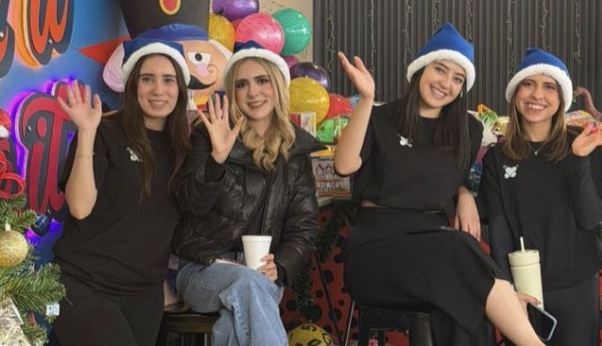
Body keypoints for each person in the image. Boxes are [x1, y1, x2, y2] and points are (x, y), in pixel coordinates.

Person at [334, 23, 544, 346]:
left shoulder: (468, 131)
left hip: (435, 250)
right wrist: (366, 99)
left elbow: (446, 179)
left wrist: (463, 193)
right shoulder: (380, 117)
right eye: (440, 70)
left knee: (462, 302)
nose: (446, 83)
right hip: (375, 250)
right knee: (459, 252)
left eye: (457, 78)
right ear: (421, 68)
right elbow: (344, 165)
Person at [172, 41, 322, 346]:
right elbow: (189, 205)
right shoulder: (209, 134)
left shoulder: (296, 153)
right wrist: (217, 159)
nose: (253, 92)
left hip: (263, 272)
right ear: (233, 92)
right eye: (242, 84)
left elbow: (304, 228)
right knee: (247, 287)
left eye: (262, 80)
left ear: (277, 86)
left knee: (234, 322)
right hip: (203, 269)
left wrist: (280, 266)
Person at [52, 33, 191, 346]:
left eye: (169, 80)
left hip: (144, 293)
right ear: (132, 85)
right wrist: (86, 133)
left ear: (180, 90)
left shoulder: (186, 146)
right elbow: (79, 207)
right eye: (147, 79)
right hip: (83, 285)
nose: (159, 90)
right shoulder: (104, 130)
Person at [480, 48, 602, 346]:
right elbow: (499, 227)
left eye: (549, 87)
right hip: (523, 287)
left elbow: (590, 218)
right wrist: (507, 290)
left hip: (576, 282)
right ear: (516, 93)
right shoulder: (497, 157)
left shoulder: (583, 142)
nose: (537, 95)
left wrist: (580, 160)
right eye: (528, 84)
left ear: (561, 99)